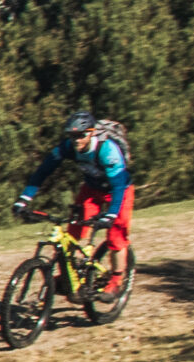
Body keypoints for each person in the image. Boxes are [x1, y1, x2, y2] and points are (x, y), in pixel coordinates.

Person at [15, 112, 134, 294]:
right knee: (73, 231)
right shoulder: (67, 147)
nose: (76, 140)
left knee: (116, 236)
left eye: (81, 135)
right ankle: (69, 276)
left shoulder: (107, 150)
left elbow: (118, 185)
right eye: (72, 135)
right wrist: (24, 199)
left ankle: (117, 280)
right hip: (91, 189)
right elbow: (43, 172)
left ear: (92, 132)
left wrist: (111, 214)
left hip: (118, 191)